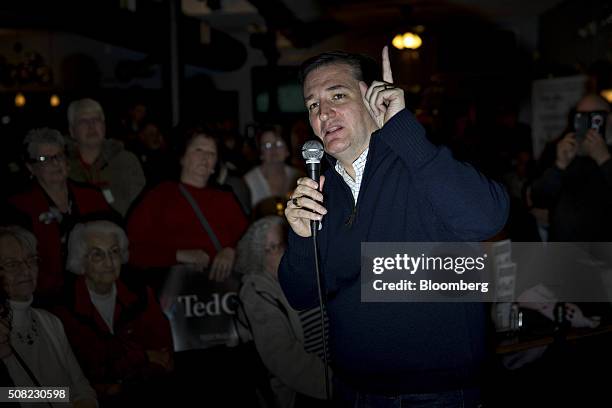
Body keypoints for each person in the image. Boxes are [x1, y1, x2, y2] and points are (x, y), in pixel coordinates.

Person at [279, 47, 509, 407]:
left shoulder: (421, 164)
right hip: (355, 392)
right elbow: (302, 294)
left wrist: (403, 130)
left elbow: (487, 218)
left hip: (439, 395)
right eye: (312, 105)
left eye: (337, 95)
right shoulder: (322, 193)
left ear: (373, 98)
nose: (323, 113)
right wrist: (300, 237)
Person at [53, 220, 173, 406]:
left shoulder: (140, 293)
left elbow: (163, 355)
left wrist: (126, 379)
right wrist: (142, 356)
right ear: (80, 261)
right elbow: (87, 369)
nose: (109, 263)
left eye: (114, 252)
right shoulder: (63, 308)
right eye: (97, 255)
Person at [127, 127, 248, 287]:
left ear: (215, 165)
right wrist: (178, 255)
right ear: (183, 157)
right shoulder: (160, 195)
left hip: (221, 296)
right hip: (173, 294)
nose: (205, 157)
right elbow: (132, 250)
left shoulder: (226, 198)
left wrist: (232, 251)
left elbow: (251, 243)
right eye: (198, 150)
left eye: (211, 153)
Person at [8, 128, 111, 304]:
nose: (55, 163)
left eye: (59, 156)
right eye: (44, 159)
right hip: (49, 299)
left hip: (98, 290)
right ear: (30, 167)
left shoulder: (92, 197)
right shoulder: (19, 208)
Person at [236, 216, 329, 408]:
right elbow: (283, 356)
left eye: (286, 243)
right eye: (277, 246)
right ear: (260, 255)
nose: (285, 251)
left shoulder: (306, 271)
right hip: (308, 391)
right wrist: (333, 383)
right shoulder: (257, 290)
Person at [0, 226, 98, 408]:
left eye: (31, 260)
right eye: (12, 264)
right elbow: (5, 395)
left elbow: (81, 387)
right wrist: (62, 395)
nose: (26, 270)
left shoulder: (49, 321)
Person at [531, 93, 612, 241]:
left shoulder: (608, 154)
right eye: (581, 116)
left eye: (596, 116)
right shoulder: (559, 148)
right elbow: (537, 197)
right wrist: (560, 165)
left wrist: (604, 159)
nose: (588, 124)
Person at [66, 98, 146, 216]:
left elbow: (140, 210)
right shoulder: (62, 165)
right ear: (72, 131)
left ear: (104, 126)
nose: (91, 126)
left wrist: (105, 194)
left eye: (96, 120)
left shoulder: (126, 161)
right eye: (83, 121)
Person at [244, 127, 303, 210]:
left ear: (287, 150)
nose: (273, 149)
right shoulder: (248, 181)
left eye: (279, 144)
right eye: (267, 145)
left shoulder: (299, 177)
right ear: (261, 153)